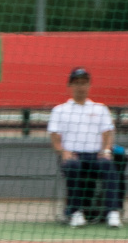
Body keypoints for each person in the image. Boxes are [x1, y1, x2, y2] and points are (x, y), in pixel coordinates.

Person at [47, 67, 120, 228]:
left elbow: (108, 133)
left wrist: (106, 151)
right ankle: (76, 212)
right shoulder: (59, 110)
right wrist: (63, 152)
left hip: (96, 156)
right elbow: (55, 138)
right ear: (70, 86)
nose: (81, 87)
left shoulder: (100, 109)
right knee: (72, 166)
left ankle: (112, 213)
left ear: (89, 85)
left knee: (108, 166)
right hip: (73, 156)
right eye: (77, 83)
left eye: (84, 83)